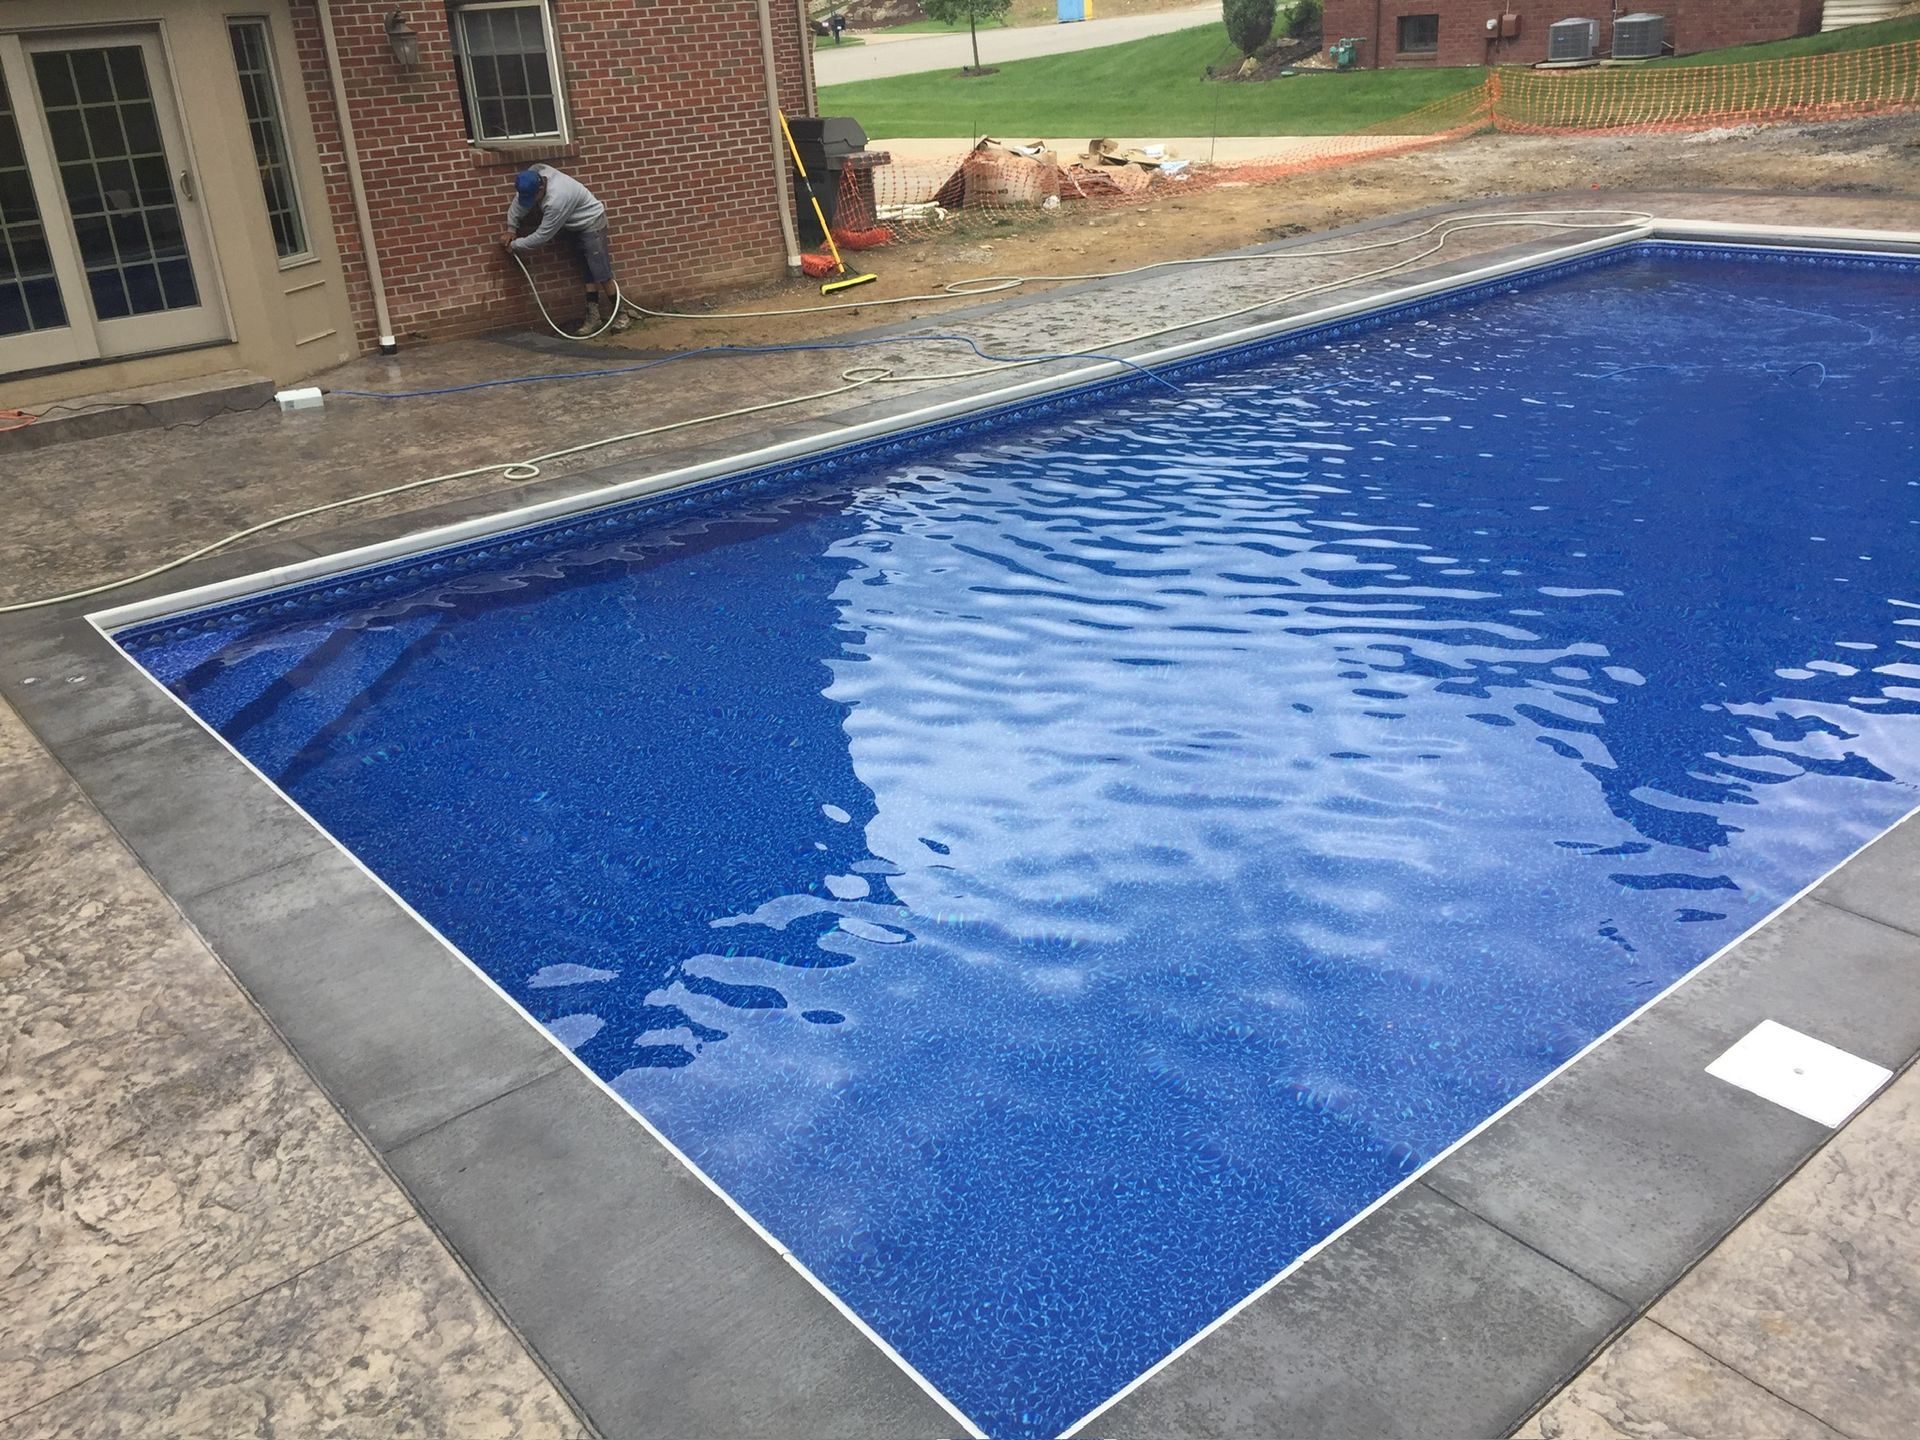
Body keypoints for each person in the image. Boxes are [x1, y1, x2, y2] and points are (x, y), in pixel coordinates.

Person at [500, 165, 631, 337]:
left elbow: (542, 236)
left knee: (601, 271)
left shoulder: (558, 198)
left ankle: (622, 315)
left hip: (591, 222)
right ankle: (594, 317)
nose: (531, 202)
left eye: (533, 198)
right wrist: (512, 228)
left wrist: (516, 245)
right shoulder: (532, 177)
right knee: (586, 272)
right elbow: (519, 204)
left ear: (541, 188)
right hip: (573, 225)